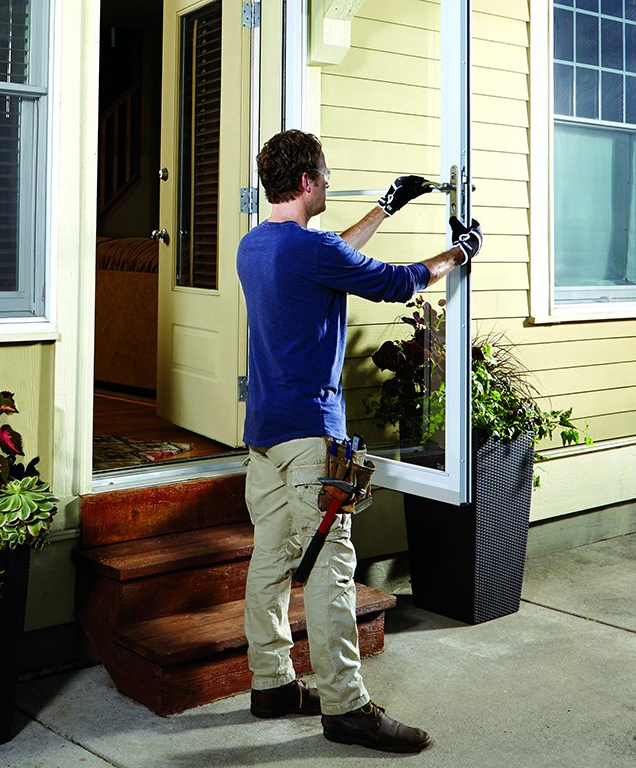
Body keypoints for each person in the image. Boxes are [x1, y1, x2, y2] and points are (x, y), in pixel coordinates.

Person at [236, 129, 482, 754]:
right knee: (330, 570)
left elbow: (328, 254)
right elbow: (394, 281)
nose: (327, 180)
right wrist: (457, 254)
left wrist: (386, 207)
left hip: (264, 437)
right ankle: (346, 706)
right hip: (311, 439)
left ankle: (271, 685)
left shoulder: (257, 247)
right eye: (323, 173)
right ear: (307, 183)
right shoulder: (306, 251)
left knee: (269, 562)